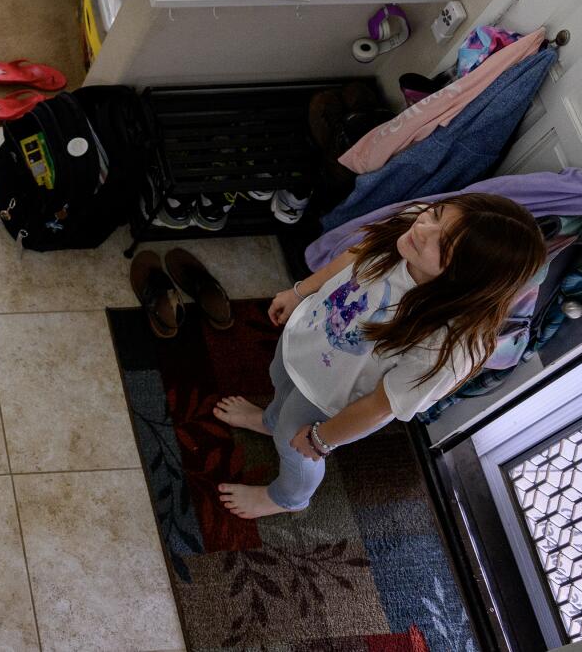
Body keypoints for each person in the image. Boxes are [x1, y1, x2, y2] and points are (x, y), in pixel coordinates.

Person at [214, 193, 544, 518]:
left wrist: (320, 441)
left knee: (293, 443)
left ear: (468, 277)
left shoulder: (447, 344)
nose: (423, 228)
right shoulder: (410, 233)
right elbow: (355, 255)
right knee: (280, 382)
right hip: (305, 339)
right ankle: (269, 421)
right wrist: (302, 290)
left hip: (331, 398)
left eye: (443, 245)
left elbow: (380, 407)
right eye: (436, 214)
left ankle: (288, 497)